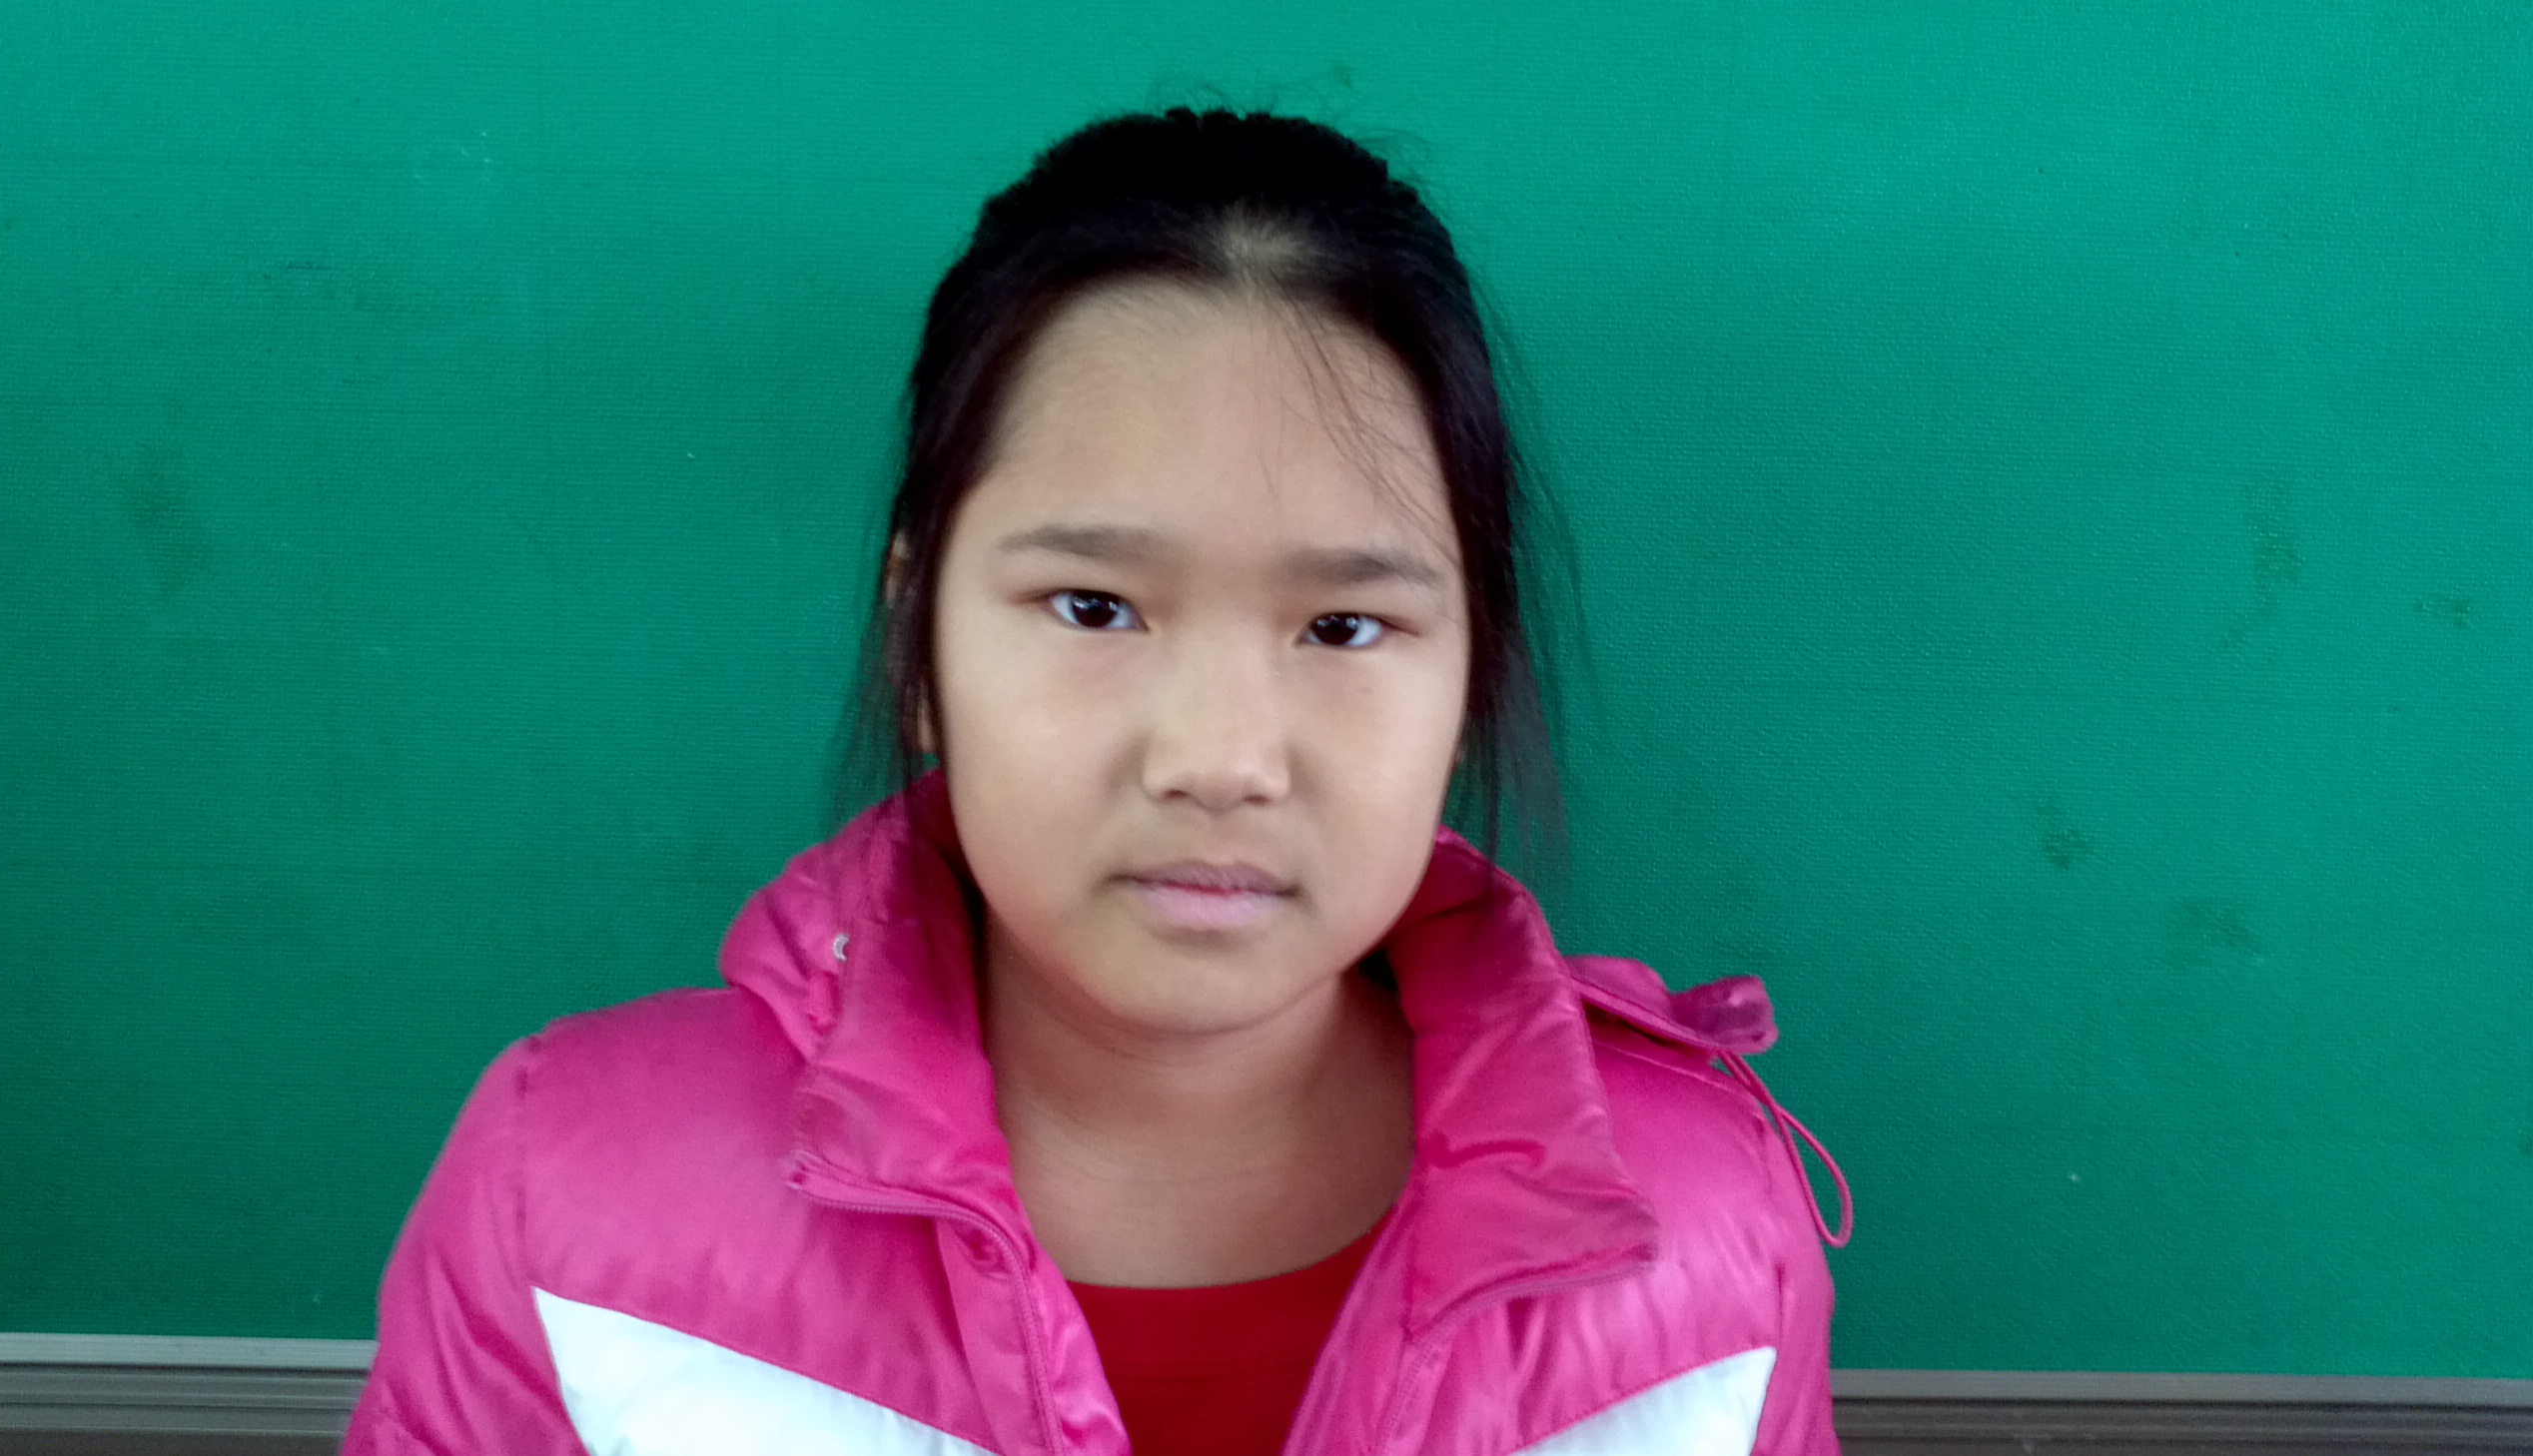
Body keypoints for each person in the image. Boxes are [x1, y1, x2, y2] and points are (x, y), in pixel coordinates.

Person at [342, 107, 1850, 1456]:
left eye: (1343, 627)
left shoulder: (1714, 1236)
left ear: (1470, 675)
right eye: (1094, 607)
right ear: (918, 637)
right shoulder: (567, 1195)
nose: (1219, 762)